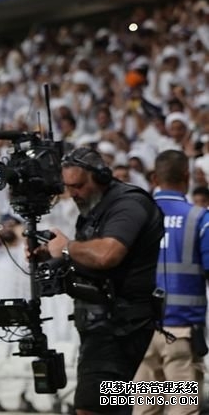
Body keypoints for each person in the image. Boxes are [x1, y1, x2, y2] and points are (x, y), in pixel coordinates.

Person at [35, 146, 164, 415]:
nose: (73, 194)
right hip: (105, 325)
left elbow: (107, 255)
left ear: (101, 177)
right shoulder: (93, 208)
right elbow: (91, 259)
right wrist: (53, 255)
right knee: (120, 405)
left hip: (123, 328)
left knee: (92, 408)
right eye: (69, 187)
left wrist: (67, 247)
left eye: (79, 186)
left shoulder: (129, 204)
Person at [133, 150, 209, 415]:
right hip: (181, 331)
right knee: (182, 410)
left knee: (144, 409)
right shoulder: (199, 219)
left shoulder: (133, 218)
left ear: (154, 178)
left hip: (140, 329)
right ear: (187, 177)